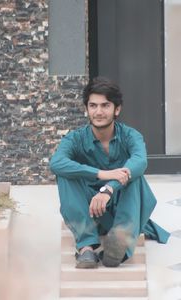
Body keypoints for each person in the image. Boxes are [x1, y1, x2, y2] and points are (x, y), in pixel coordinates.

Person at [50, 77, 170, 269]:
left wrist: (108, 188)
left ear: (117, 109)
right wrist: (102, 174)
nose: (98, 112)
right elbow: (56, 163)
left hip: (124, 209)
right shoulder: (75, 138)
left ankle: (119, 242)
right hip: (89, 211)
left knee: (134, 174)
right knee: (64, 172)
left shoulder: (131, 136)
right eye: (93, 105)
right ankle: (86, 247)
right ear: (87, 109)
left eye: (105, 105)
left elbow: (140, 162)